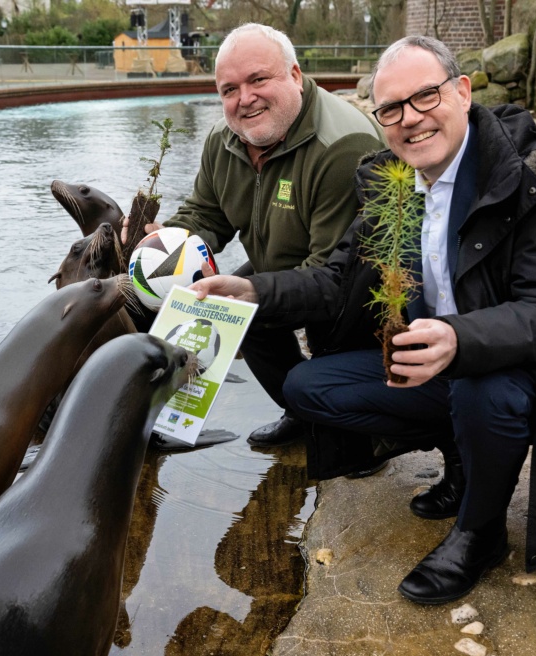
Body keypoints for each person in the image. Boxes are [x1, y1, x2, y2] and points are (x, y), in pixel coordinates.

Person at [191, 35, 536, 604]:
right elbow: (334, 278)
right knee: (307, 387)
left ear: (462, 91)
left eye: (425, 97)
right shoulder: (390, 182)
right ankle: (462, 457)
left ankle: (479, 533)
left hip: (523, 372)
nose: (410, 120)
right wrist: (252, 290)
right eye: (391, 108)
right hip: (436, 358)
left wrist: (457, 338)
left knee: (482, 394)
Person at [126, 22, 384, 447]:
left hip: (353, 286)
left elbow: (333, 278)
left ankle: (355, 434)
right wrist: (162, 242)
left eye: (258, 79)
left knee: (254, 310)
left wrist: (255, 291)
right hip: (284, 264)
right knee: (228, 308)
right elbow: (206, 214)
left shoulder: (341, 147)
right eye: (229, 89)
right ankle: (301, 414)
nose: (244, 99)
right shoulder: (223, 139)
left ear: (295, 76)